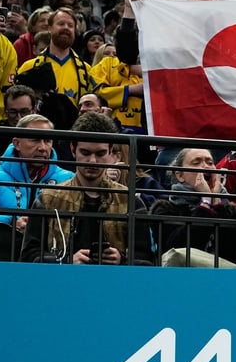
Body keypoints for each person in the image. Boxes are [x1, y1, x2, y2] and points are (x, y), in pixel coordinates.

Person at [21, 112, 152, 265]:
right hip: (62, 284)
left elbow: (147, 260)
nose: (93, 160)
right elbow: (29, 256)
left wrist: (122, 260)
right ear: (73, 149)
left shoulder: (131, 202)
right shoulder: (47, 199)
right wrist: (67, 260)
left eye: (100, 153)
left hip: (115, 284)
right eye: (85, 152)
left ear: (111, 151)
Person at [0, 113, 75, 233]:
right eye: (35, 140)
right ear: (17, 143)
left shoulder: (69, 179)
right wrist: (12, 222)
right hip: (3, 247)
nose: (42, 147)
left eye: (47, 140)